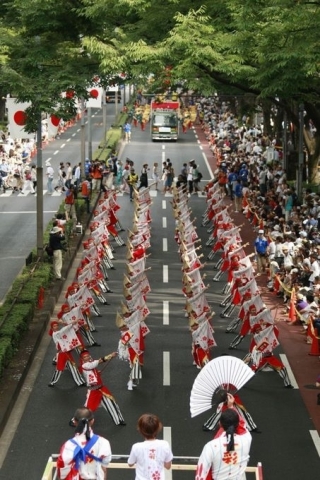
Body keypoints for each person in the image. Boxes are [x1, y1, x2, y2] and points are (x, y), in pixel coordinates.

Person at [196, 402, 252, 480]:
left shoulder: (211, 446)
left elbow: (201, 474)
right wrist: (231, 406)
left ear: (220, 424)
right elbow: (242, 425)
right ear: (237, 423)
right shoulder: (246, 439)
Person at [71, 350, 126, 427]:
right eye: (85, 357)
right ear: (82, 359)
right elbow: (96, 363)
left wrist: (97, 373)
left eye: (88, 355)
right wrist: (110, 355)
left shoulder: (90, 365)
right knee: (87, 409)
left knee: (112, 403)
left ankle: (119, 420)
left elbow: (92, 370)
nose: (87, 357)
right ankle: (75, 420)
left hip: (101, 388)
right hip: (93, 391)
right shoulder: (85, 365)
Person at [57, 407, 112, 480]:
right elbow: (104, 465)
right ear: (92, 421)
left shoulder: (69, 445)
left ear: (75, 422)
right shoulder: (103, 442)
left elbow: (62, 468)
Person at [128, 413, 173, 480]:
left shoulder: (136, 447)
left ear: (140, 430)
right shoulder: (164, 444)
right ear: (158, 428)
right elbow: (168, 466)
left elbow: (130, 463)